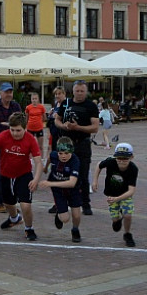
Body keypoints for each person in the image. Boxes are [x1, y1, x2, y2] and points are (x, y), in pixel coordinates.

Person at [0, 112, 42, 240]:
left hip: (23, 175)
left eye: (18, 130)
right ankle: (14, 218)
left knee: (25, 205)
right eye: (12, 130)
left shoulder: (30, 139)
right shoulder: (3, 136)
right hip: (5, 175)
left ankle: (29, 228)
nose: (15, 133)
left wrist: (36, 179)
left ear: (25, 128)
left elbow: (38, 162)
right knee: (8, 203)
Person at [51, 80, 99, 216]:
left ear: (86, 92)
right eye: (77, 91)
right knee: (62, 174)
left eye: (82, 91)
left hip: (82, 143)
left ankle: (85, 203)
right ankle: (59, 203)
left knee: (82, 175)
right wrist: (63, 126)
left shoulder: (91, 106)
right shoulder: (66, 103)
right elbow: (57, 120)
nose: (79, 93)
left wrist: (78, 128)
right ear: (73, 91)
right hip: (67, 143)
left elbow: (95, 127)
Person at [93, 142, 139, 247]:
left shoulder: (133, 169)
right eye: (119, 158)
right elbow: (99, 165)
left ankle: (127, 234)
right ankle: (117, 219)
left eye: (125, 159)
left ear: (131, 157)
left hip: (125, 195)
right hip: (112, 194)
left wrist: (118, 198)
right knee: (115, 219)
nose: (122, 162)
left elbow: (131, 190)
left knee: (127, 215)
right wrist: (95, 181)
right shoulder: (110, 162)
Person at [38, 137, 83, 242]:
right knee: (65, 219)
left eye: (66, 153)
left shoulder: (75, 161)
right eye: (61, 153)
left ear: (71, 151)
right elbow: (50, 158)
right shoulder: (54, 155)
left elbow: (72, 183)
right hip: (58, 190)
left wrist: (49, 183)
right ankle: (59, 214)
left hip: (73, 190)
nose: (63, 156)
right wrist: (45, 168)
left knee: (76, 214)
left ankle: (75, 229)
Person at [0, 83, 22, 213]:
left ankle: (11, 203)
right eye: (6, 92)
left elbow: (20, 123)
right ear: (0, 93)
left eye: (10, 92)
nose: (9, 94)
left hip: (13, 145)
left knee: (12, 176)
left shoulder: (15, 106)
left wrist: (7, 125)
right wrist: (11, 126)